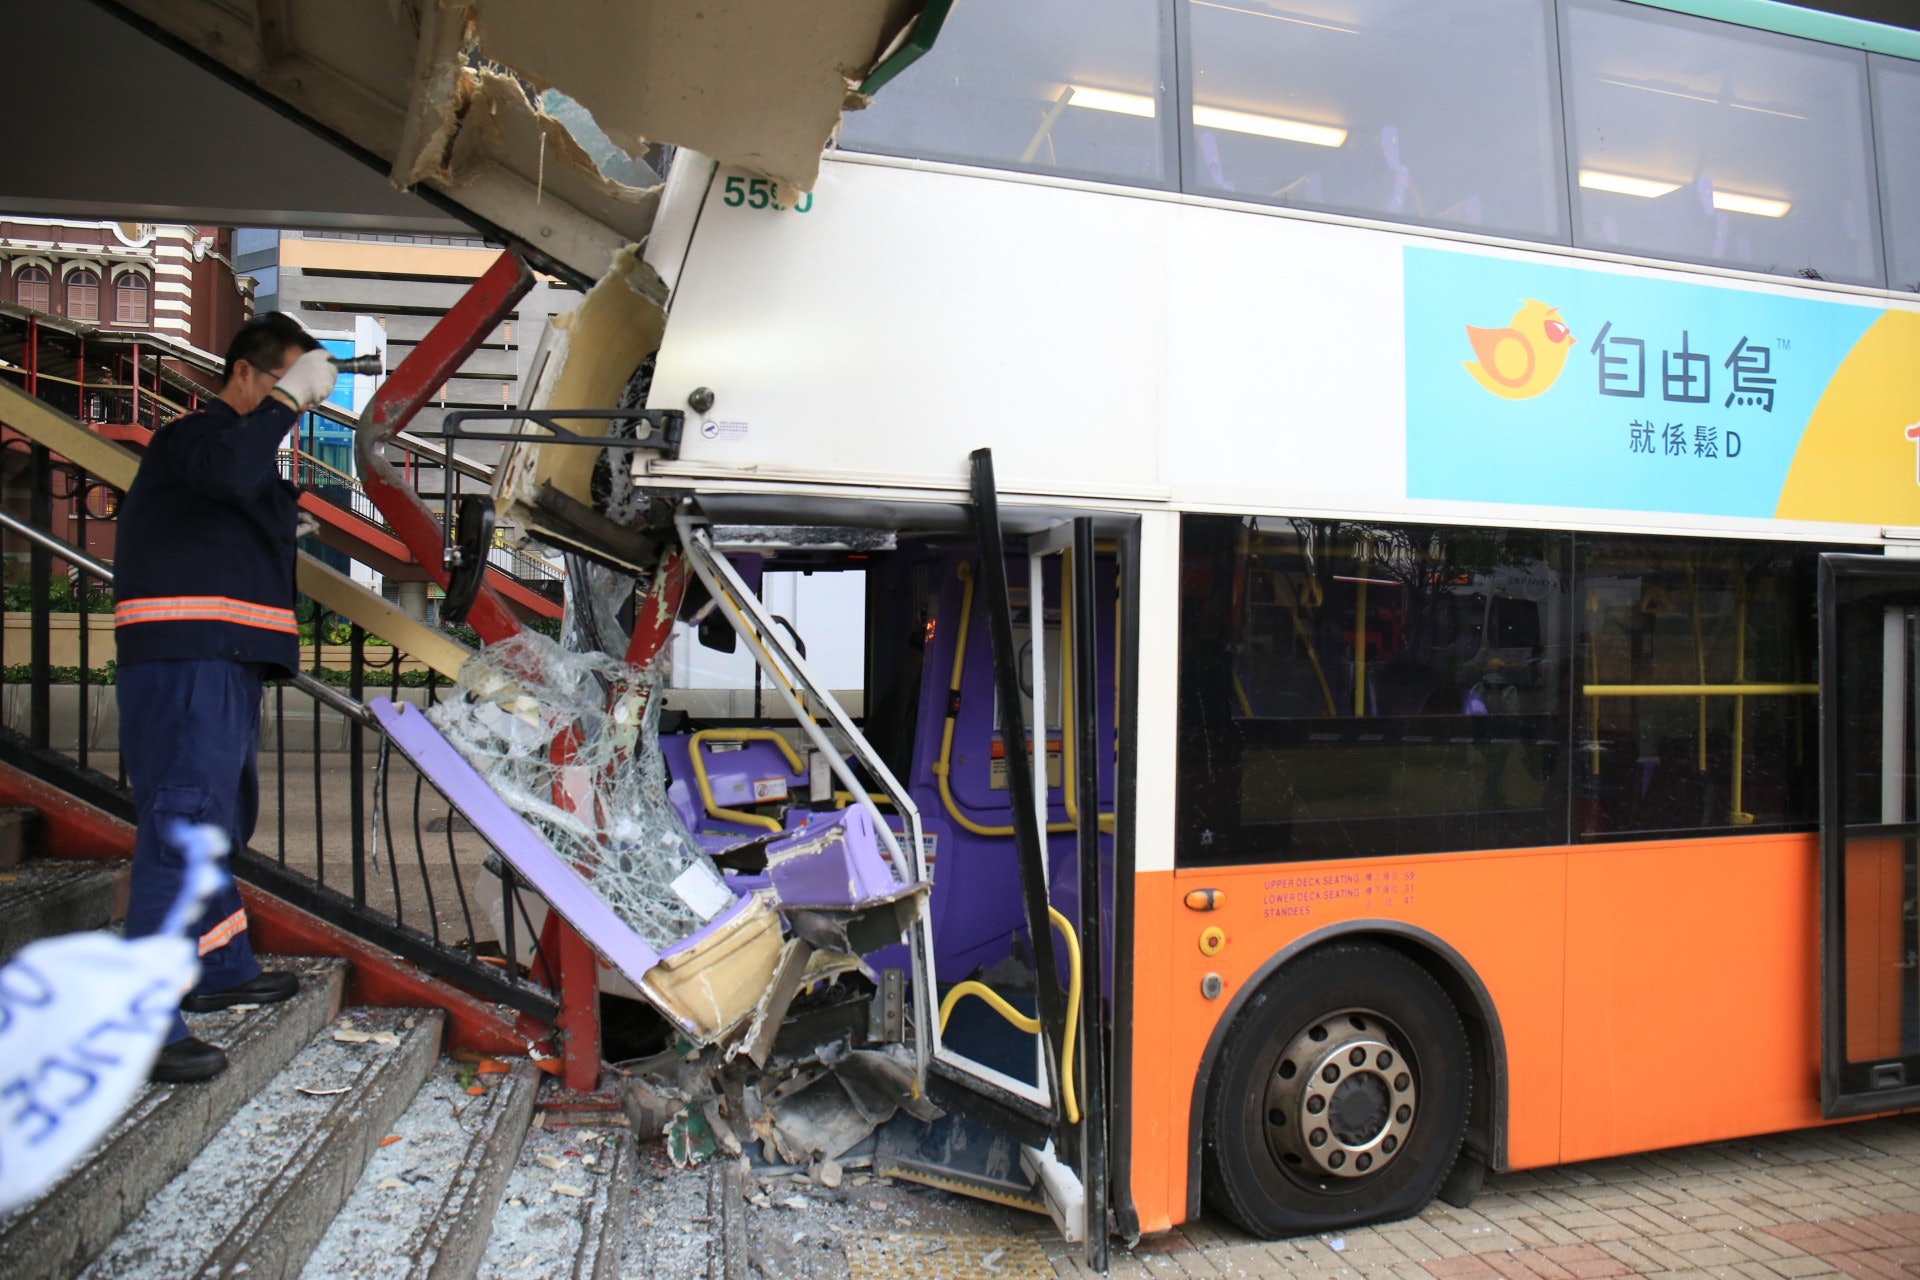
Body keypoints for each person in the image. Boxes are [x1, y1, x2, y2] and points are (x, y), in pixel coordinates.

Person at [113, 313, 339, 1083]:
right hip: (187, 660)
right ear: (244, 372)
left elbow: (252, 495)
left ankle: (219, 965)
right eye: (287, 381)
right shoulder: (194, 439)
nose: (297, 403)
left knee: (214, 822)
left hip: (222, 660)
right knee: (185, 823)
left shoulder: (231, 458)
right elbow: (229, 472)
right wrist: (285, 407)